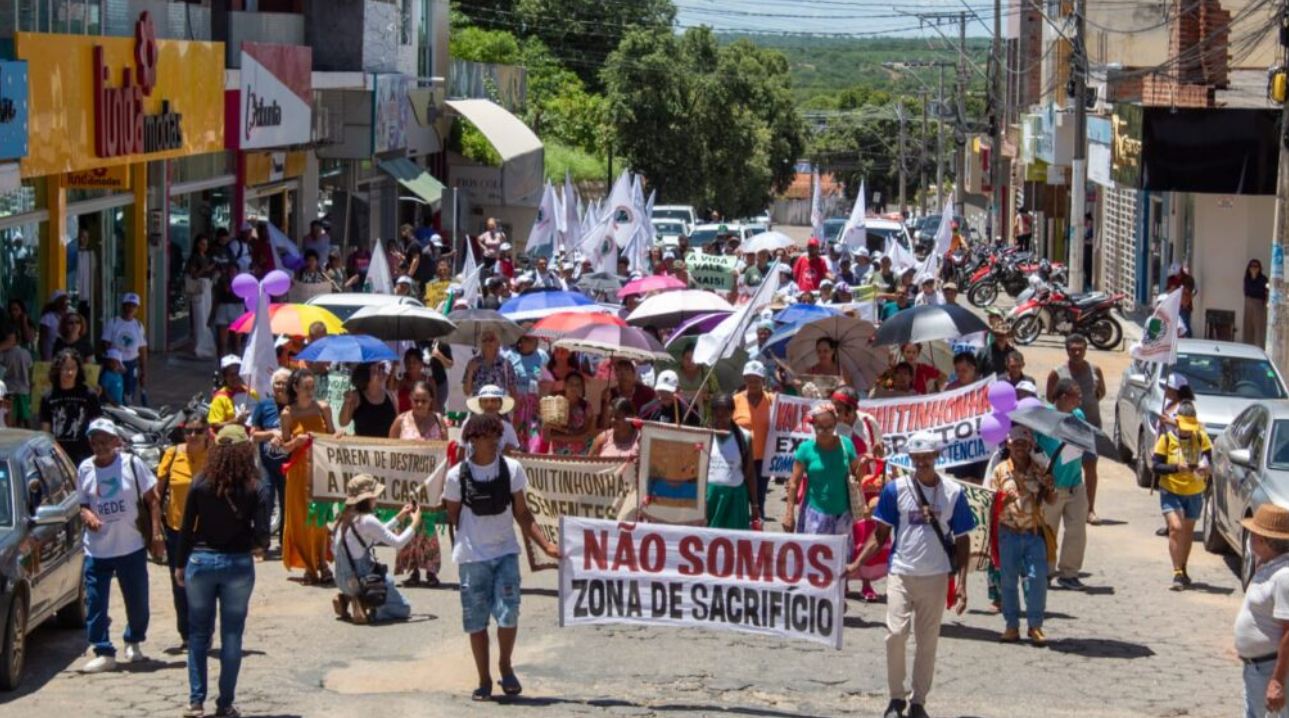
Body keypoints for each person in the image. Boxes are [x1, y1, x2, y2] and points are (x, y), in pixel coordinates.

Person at [850, 432, 975, 718]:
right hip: (902, 573)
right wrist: (856, 563)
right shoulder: (895, 489)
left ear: (936, 457)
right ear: (910, 459)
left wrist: (963, 585)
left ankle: (918, 701)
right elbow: (880, 535)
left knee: (927, 642)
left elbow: (963, 538)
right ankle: (896, 698)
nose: (922, 462)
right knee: (895, 635)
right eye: (917, 458)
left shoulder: (954, 493)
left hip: (936, 576)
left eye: (927, 457)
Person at [443, 412, 558, 701]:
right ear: (473, 440)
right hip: (472, 558)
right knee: (476, 621)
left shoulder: (513, 469)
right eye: (487, 436)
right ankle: (484, 679)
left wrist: (546, 545)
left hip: (506, 552)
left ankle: (505, 665)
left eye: (497, 435)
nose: (494, 441)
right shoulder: (456, 476)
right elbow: (453, 515)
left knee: (509, 614)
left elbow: (522, 512)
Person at [175, 424, 270, 717]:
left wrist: (180, 564)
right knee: (232, 636)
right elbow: (264, 533)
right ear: (245, 450)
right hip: (238, 564)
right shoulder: (255, 484)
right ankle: (225, 703)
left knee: (199, 634)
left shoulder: (200, 482)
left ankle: (195, 702)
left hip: (201, 562)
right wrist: (255, 545)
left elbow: (186, 529)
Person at [76, 417, 164, 673]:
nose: (100, 447)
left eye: (104, 441)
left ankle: (134, 640)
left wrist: (157, 535)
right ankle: (103, 650)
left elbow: (153, 500)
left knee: (137, 601)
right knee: (95, 601)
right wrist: (88, 515)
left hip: (130, 546)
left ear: (116, 442)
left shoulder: (132, 464)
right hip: (98, 548)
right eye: (94, 442)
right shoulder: (84, 469)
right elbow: (82, 503)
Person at [988, 425, 1056, 645]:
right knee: (1008, 580)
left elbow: (1052, 500)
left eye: (1024, 443)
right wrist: (1003, 499)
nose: (1020, 447)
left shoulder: (1040, 468)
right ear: (1009, 444)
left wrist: (1049, 487)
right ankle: (1011, 625)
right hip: (1009, 533)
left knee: (1037, 580)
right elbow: (990, 502)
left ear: (1030, 446)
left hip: (1034, 533)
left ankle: (1035, 625)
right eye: (1016, 443)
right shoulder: (1000, 470)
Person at [332, 474, 420, 624]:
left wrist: (399, 517)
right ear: (367, 498)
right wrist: (415, 522)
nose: (377, 498)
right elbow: (397, 542)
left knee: (382, 584)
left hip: (342, 580)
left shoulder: (345, 517)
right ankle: (366, 606)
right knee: (404, 609)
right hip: (362, 582)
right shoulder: (367, 520)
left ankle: (348, 597)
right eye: (375, 495)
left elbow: (377, 534)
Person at [155, 412, 210, 650]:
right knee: (180, 583)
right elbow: (156, 495)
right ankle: (187, 635)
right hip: (177, 530)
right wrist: (156, 529)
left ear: (207, 432)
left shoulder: (214, 455)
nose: (193, 435)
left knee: (205, 585)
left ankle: (205, 634)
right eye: (189, 431)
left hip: (207, 531)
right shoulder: (172, 454)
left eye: (198, 431)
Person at [279, 368, 335, 585]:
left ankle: (322, 562)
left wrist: (336, 435)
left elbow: (332, 435)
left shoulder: (323, 408)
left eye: (313, 387)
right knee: (302, 519)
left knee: (321, 518)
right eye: (306, 388)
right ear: (295, 388)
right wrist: (296, 442)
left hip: (320, 469)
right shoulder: (287, 413)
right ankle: (308, 565)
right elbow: (284, 447)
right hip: (299, 471)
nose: (311, 391)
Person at [389, 380, 446, 587]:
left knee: (428, 526)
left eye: (424, 401)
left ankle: (431, 570)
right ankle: (412, 569)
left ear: (431, 400)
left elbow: (445, 453)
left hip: (430, 482)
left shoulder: (439, 421)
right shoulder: (401, 421)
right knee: (408, 523)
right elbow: (389, 451)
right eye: (416, 401)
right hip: (406, 482)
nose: (420, 405)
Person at [1234, 504, 1289, 718]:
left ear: (1263, 540)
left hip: (1270, 668)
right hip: (1257, 667)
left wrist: (1277, 680)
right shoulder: (1269, 565)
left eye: (1253, 533)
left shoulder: (1284, 576)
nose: (1249, 537)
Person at [783, 404, 861, 553]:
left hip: (843, 515)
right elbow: (794, 483)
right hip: (815, 515)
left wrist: (866, 464)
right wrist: (789, 514)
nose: (825, 431)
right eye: (820, 427)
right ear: (813, 426)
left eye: (830, 427)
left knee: (841, 559)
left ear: (836, 424)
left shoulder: (847, 445)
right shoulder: (805, 449)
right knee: (813, 557)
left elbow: (858, 476)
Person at [1045, 333, 1106, 524]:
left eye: (1081, 349)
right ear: (1067, 351)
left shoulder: (1095, 369)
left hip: (1090, 427)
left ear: (1086, 349)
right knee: (1064, 467)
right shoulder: (1057, 372)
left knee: (1090, 468)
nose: (1077, 352)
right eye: (1073, 349)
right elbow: (1050, 397)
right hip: (1065, 430)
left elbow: (1101, 392)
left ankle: (1090, 509)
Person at [1151, 401, 1212, 590]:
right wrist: (1176, 468)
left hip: (1194, 492)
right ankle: (1176, 572)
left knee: (1187, 532)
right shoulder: (1166, 439)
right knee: (1176, 527)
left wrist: (1205, 469)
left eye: (1189, 428)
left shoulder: (1201, 437)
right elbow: (1155, 466)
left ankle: (1183, 568)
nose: (1186, 432)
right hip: (1171, 491)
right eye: (1184, 428)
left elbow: (1210, 458)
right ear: (1177, 422)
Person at [1037, 378, 1090, 591]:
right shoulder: (1045, 418)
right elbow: (1035, 445)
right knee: (1048, 531)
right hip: (1053, 486)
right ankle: (1046, 571)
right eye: (1076, 395)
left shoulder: (1078, 416)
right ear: (1063, 397)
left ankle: (1069, 573)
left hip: (1076, 484)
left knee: (1077, 531)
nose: (1080, 399)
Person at [250, 368, 292, 545]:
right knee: (265, 501)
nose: (280, 387)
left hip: (289, 465)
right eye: (277, 383)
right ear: (272, 385)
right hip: (266, 465)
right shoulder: (263, 405)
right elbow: (253, 435)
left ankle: (285, 542)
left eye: (284, 383)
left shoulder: (295, 407)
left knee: (287, 503)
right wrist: (271, 434)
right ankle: (262, 542)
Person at [706, 394, 758, 530]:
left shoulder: (745, 436)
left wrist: (754, 505)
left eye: (726, 412)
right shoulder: (705, 434)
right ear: (712, 413)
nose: (721, 416)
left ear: (732, 412)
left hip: (735, 498)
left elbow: (750, 473)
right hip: (710, 497)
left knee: (734, 541)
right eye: (717, 413)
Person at [41, 349, 103, 464]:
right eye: (66, 368)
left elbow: (97, 426)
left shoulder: (89, 394)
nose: (70, 372)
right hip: (58, 458)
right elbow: (46, 431)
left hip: (85, 456)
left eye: (73, 368)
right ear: (58, 369)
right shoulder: (48, 397)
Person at [733, 360, 776, 519]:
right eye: (749, 379)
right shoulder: (735, 400)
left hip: (763, 459)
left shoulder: (773, 400)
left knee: (759, 499)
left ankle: (758, 529)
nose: (752, 383)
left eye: (756, 380)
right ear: (744, 380)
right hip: (739, 458)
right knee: (740, 497)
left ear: (763, 381)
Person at [510, 334, 548, 452]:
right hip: (515, 401)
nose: (536, 341)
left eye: (536, 339)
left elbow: (542, 378)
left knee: (533, 434)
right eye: (530, 339)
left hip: (533, 402)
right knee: (515, 433)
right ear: (521, 340)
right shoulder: (511, 356)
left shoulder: (541, 356)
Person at [340, 362, 397, 438]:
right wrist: (347, 403)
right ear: (365, 376)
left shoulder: (391, 395)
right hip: (363, 447)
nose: (379, 372)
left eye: (380, 368)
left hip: (386, 448)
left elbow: (397, 424)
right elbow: (343, 422)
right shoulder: (355, 396)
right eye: (374, 371)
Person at [545, 372, 595, 456]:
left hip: (580, 451)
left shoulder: (586, 406)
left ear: (582, 388)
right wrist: (573, 437)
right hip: (558, 450)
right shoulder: (555, 404)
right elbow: (549, 435)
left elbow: (587, 432)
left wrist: (569, 436)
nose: (574, 387)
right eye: (571, 384)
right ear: (565, 386)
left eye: (577, 385)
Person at [185, 234, 218, 359]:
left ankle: (205, 345)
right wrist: (205, 269)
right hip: (199, 287)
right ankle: (200, 346)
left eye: (206, 244)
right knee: (200, 317)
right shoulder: (194, 258)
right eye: (202, 244)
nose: (204, 247)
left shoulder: (207, 257)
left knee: (206, 317)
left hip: (207, 286)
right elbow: (194, 275)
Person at [462, 385, 522, 453]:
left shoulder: (507, 427)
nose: (489, 405)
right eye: (485, 401)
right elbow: (461, 451)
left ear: (500, 404)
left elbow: (514, 451)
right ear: (480, 404)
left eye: (494, 401)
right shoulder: (468, 424)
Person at [463, 330, 518, 400]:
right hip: (479, 408)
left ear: (498, 343)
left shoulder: (506, 364)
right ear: (481, 344)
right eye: (484, 340)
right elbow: (466, 392)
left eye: (491, 339)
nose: (487, 342)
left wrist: (513, 408)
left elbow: (513, 391)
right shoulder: (473, 362)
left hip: (499, 408)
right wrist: (470, 372)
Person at [208, 355, 258, 430]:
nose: (235, 377)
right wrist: (236, 421)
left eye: (238, 373)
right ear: (225, 377)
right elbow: (215, 425)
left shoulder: (251, 392)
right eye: (231, 375)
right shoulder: (220, 398)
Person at [601, 358, 655, 426]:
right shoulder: (609, 394)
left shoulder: (647, 393)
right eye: (618, 370)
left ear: (634, 373)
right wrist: (606, 403)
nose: (623, 373)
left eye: (627, 369)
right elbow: (604, 425)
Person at [0, 326, 33, 427]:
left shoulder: (3, 354)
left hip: (9, 389)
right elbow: (30, 368)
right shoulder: (26, 353)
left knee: (11, 417)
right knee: (26, 417)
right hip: (23, 388)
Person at [38, 290, 70, 361]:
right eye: (66, 301)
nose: (68, 303)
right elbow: (42, 340)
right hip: (51, 354)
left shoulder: (70, 316)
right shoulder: (47, 317)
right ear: (58, 302)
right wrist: (44, 358)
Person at [1245, 259, 1270, 348]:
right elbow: (1246, 291)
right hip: (1248, 303)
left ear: (1259, 268)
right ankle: (1247, 347)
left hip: (1259, 303)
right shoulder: (1247, 278)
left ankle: (1259, 348)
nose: (1254, 268)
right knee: (1248, 328)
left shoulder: (1263, 279)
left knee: (1259, 329)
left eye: (1256, 266)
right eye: (1252, 266)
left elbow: (1266, 292)